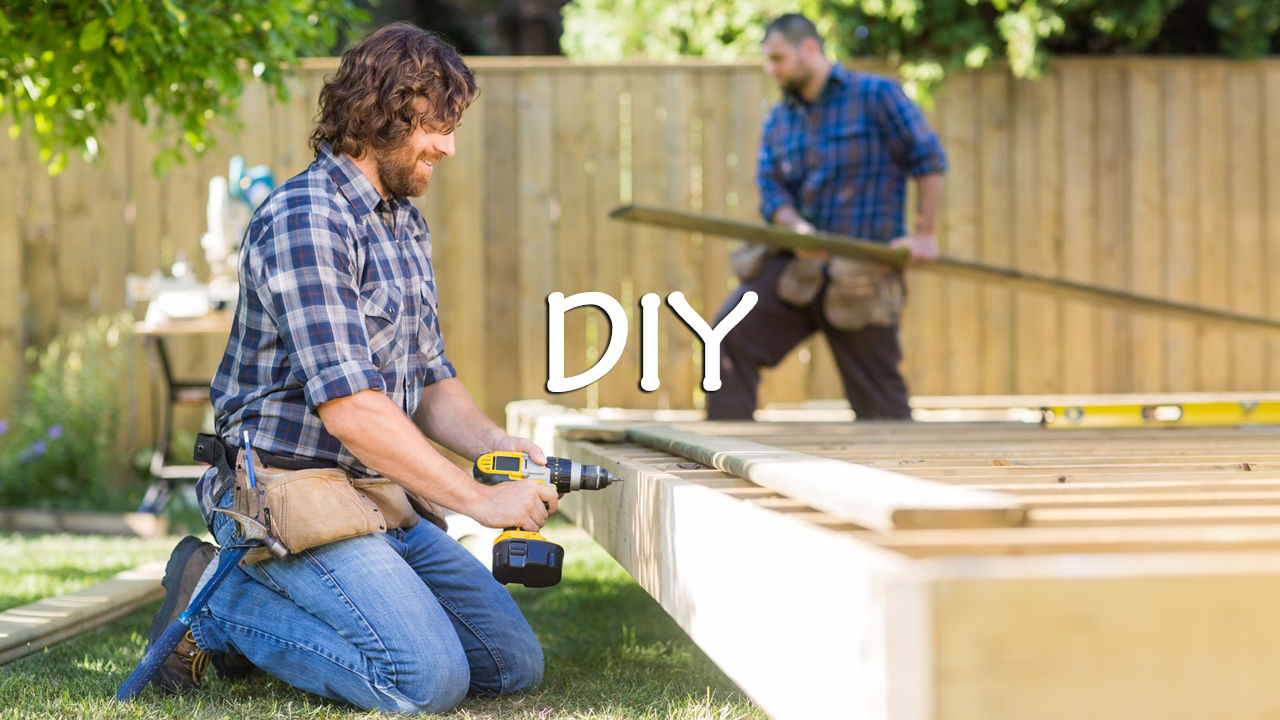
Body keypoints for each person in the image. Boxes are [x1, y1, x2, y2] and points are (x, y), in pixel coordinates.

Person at [138, 23, 558, 714]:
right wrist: (481, 502)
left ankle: (254, 604)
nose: (449, 146)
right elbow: (352, 410)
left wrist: (495, 448)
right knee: (427, 680)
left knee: (508, 664)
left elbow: (428, 379)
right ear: (383, 110)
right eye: (437, 126)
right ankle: (218, 601)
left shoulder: (401, 222)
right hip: (287, 490)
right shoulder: (307, 218)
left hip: (374, 492)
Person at [705, 13, 948, 421]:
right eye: (768, 60)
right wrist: (797, 229)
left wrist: (925, 233)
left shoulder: (876, 96)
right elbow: (772, 191)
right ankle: (721, 461)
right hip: (797, 271)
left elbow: (928, 158)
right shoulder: (780, 119)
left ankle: (899, 473)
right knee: (726, 336)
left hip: (862, 279)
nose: (772, 69)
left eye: (778, 58)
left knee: (882, 409)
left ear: (810, 49)